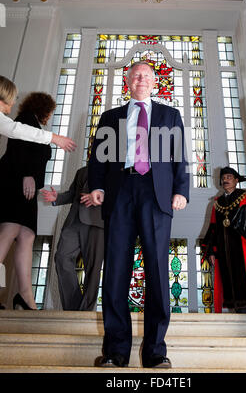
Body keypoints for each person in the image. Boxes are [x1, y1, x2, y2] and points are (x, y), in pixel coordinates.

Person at [88, 61, 190, 369]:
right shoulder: (110, 117)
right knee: (117, 270)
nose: (141, 79)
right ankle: (115, 352)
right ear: (127, 81)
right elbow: (96, 158)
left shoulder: (170, 115)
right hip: (120, 193)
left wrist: (181, 190)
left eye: (147, 75)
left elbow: (179, 155)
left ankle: (155, 351)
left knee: (158, 273)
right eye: (136, 75)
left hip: (156, 194)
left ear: (155, 82)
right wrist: (96, 186)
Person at [0, 92, 56, 310]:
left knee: (27, 236)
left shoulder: (34, 126)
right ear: (43, 108)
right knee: (9, 231)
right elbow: (17, 150)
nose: (50, 116)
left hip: (28, 188)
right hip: (17, 183)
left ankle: (24, 296)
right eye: (50, 111)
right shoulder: (24, 121)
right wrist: (27, 175)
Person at [202, 167, 246, 315]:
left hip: (244, 248)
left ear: (235, 180)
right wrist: (211, 251)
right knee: (229, 283)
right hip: (224, 251)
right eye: (223, 178)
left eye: (229, 177)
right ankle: (237, 313)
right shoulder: (217, 203)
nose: (225, 180)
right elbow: (212, 229)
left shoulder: (245, 197)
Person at [41, 166, 104, 311]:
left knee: (93, 268)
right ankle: (74, 308)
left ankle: (86, 310)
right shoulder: (82, 171)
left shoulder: (114, 169)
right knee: (62, 258)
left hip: (97, 222)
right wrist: (57, 198)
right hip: (74, 221)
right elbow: (73, 194)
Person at [0, 75, 76, 151]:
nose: (14, 102)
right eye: (13, 98)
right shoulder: (26, 118)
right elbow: (15, 129)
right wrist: (54, 138)